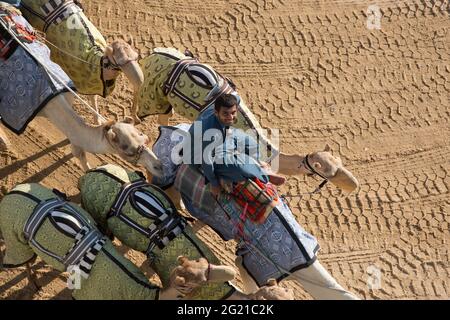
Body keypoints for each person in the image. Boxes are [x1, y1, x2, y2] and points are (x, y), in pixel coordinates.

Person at [187, 93, 285, 198]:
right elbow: (206, 161)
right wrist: (214, 184)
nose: (230, 117)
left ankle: (256, 162)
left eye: (233, 113)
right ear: (216, 113)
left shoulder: (228, 106)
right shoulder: (210, 132)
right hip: (198, 155)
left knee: (251, 143)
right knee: (236, 166)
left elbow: (236, 98)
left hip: (224, 133)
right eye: (225, 114)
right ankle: (262, 174)